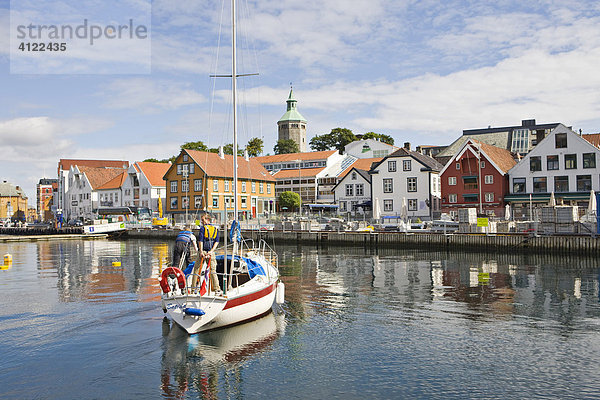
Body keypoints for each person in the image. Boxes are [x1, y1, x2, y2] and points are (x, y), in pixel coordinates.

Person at [198, 213, 220, 293]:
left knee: (197, 269)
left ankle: (193, 287)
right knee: (213, 270)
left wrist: (201, 251)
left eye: (203, 220)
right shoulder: (215, 229)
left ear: (207, 220)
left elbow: (200, 241)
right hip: (211, 252)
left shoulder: (202, 228)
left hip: (203, 251)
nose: (202, 222)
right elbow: (216, 242)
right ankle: (216, 288)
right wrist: (211, 251)